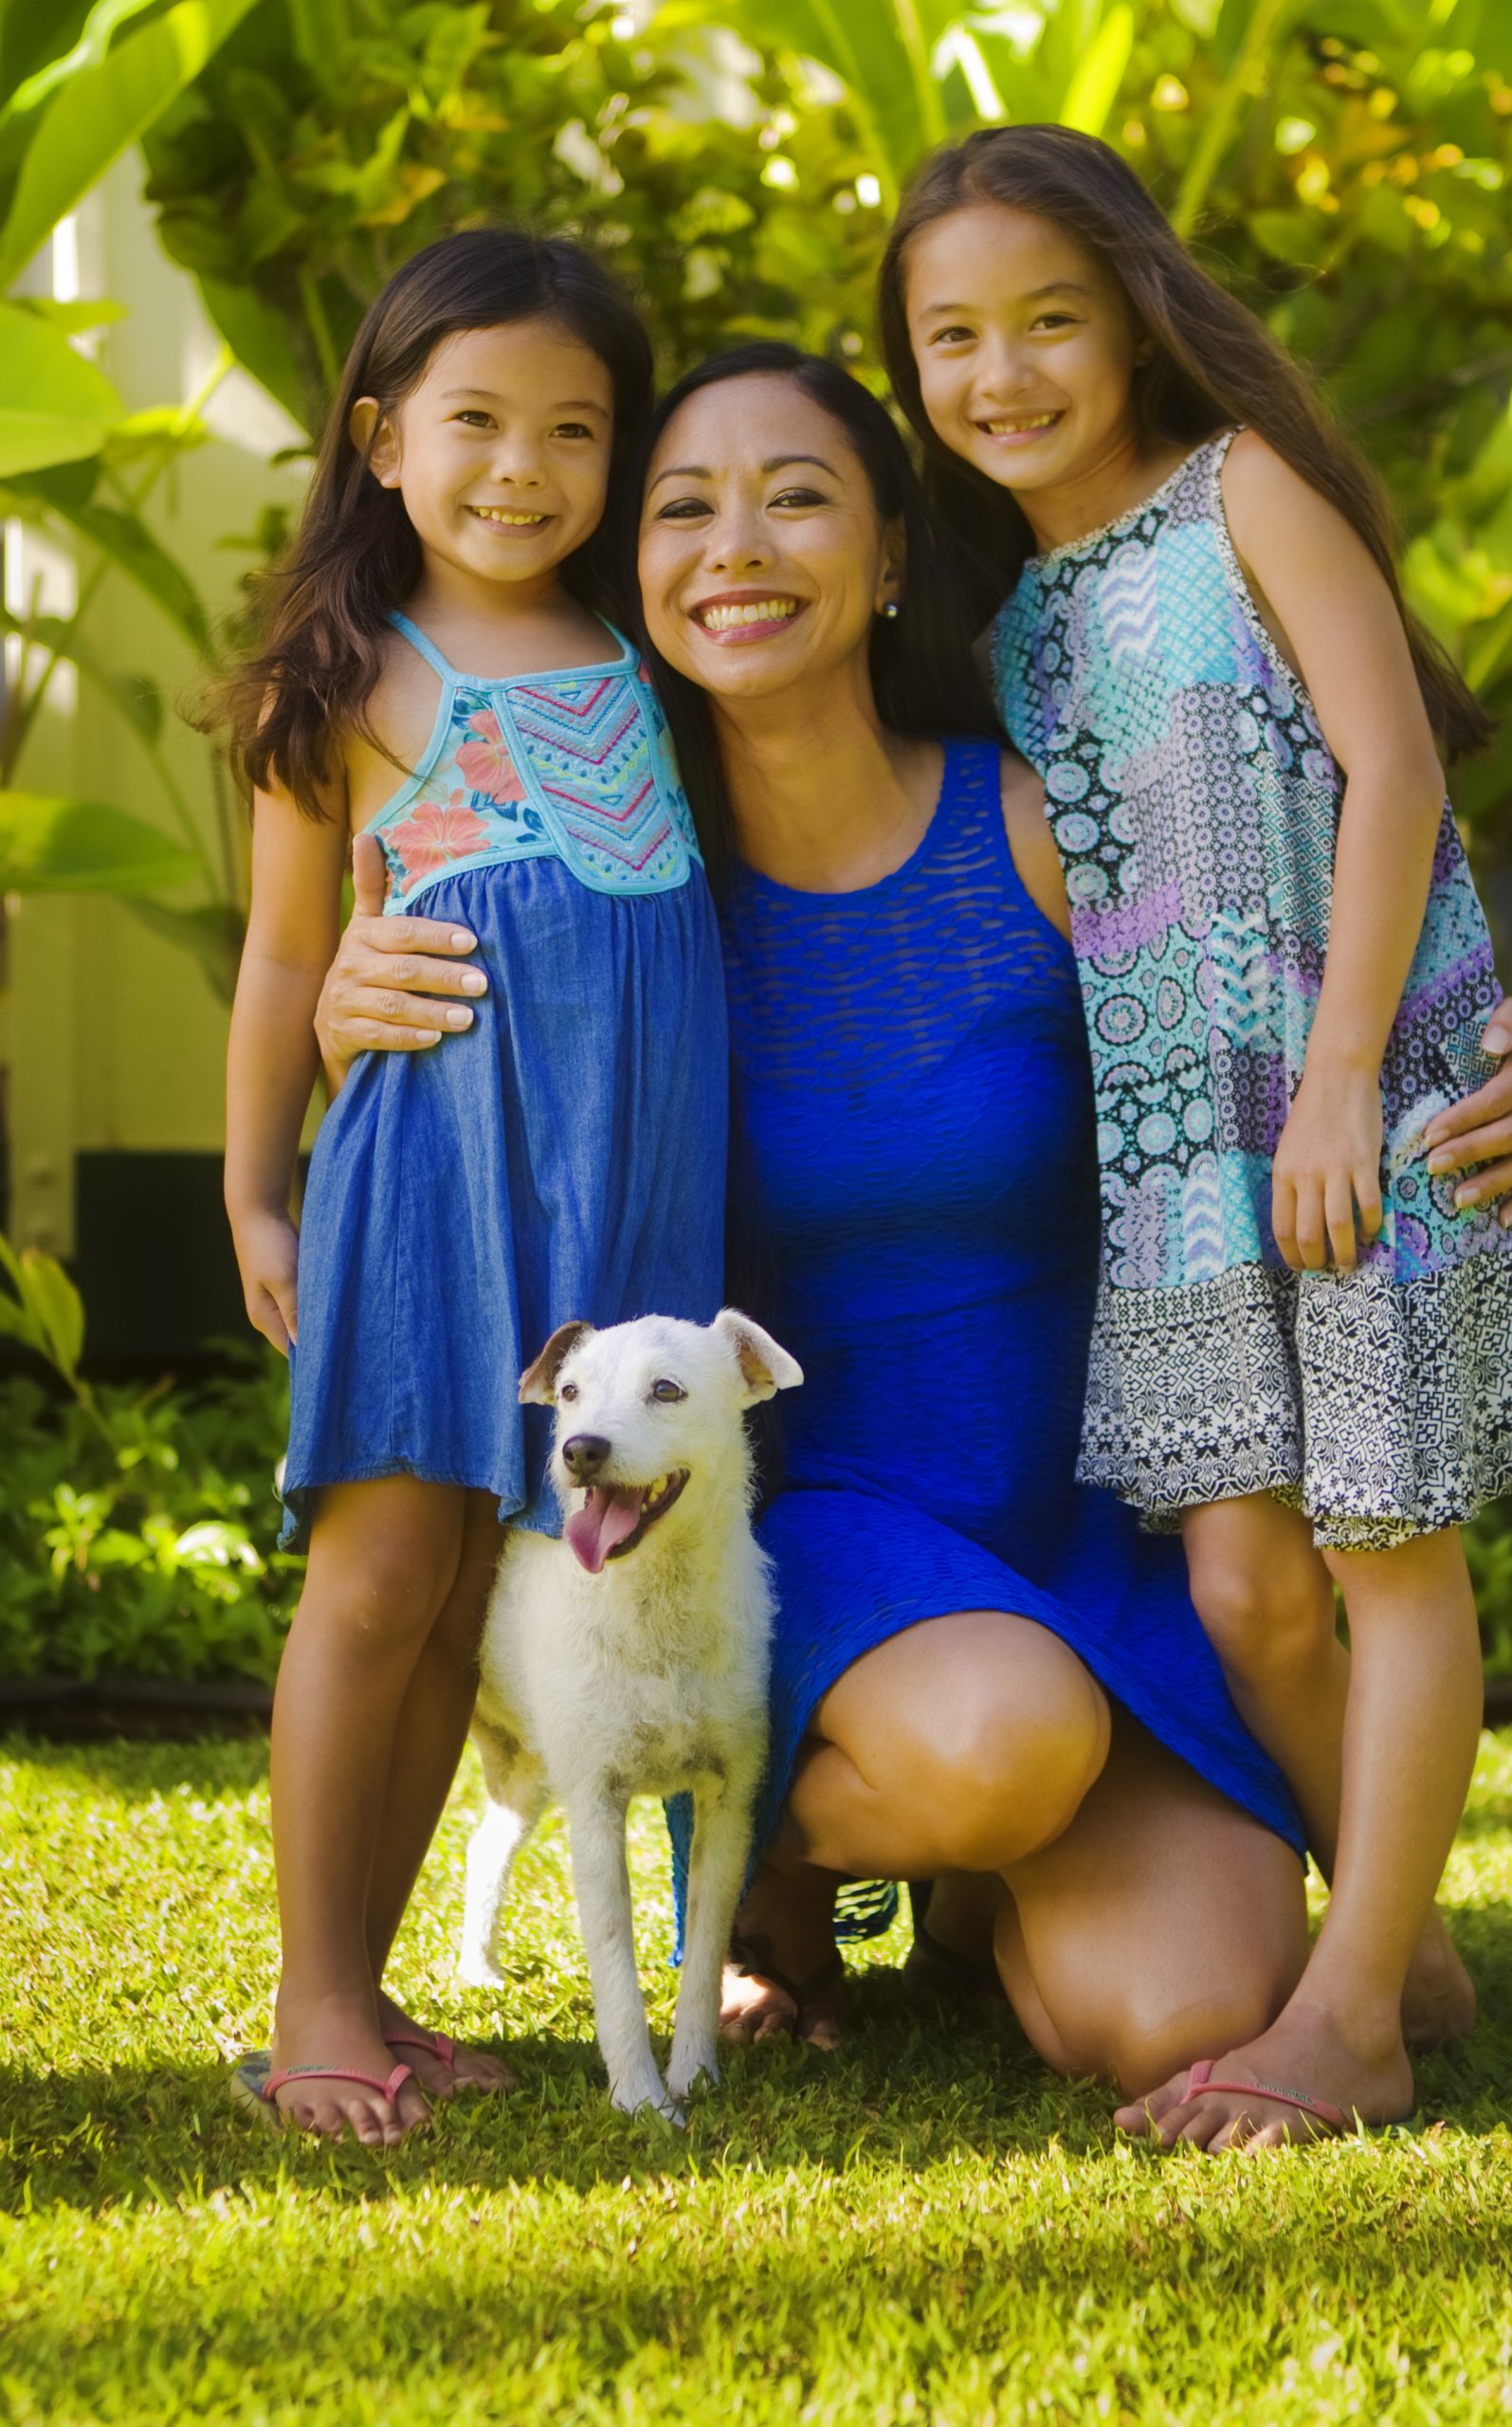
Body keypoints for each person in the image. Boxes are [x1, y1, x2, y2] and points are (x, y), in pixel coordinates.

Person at [312, 345, 1512, 2104]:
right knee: (998, 1743)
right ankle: (773, 1863)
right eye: (683, 510)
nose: (737, 545)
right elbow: (418, 977)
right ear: (640, 578)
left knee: (1176, 2013)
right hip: (819, 1538)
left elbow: (1277, 975)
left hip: (1089, 1527)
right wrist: (340, 998)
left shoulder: (1040, 819)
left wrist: (1507, 1052)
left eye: (800, 495)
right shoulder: (619, 886)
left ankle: (985, 1892)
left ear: (894, 552)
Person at [876, 124, 1512, 2145]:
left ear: (1134, 317)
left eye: (1048, 319)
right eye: (953, 338)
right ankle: (1415, 1942)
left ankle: (1355, 1999)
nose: (1002, 371)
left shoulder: (1248, 494)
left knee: (1385, 1551)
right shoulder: (1008, 625)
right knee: (1245, 1591)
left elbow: (1391, 774)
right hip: (1180, 1162)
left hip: (1356, 1094)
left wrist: (1360, 1066)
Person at [219, 230, 726, 2144]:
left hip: (621, 1190)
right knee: (378, 1573)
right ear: (380, 437)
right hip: (432, 1184)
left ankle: (380, 1978)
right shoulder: (348, 672)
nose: (524, 467)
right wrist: (256, 1193)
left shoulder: (654, 646)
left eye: (575, 431)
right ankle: (315, 2000)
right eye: (478, 422)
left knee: (466, 1599)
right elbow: (284, 959)